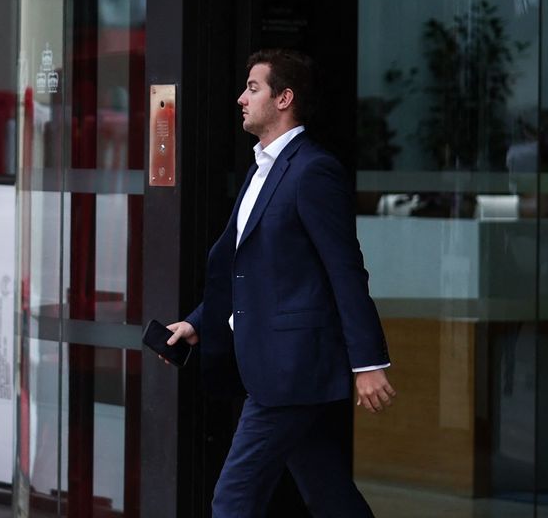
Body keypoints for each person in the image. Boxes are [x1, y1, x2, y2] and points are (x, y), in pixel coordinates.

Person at [162, 49, 395, 517]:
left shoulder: (313, 170)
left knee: (233, 498)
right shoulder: (261, 169)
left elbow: (345, 270)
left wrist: (368, 362)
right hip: (272, 363)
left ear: (284, 98)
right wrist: (199, 322)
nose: (241, 98)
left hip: (290, 368)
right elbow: (251, 271)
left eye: (253, 88)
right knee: (328, 493)